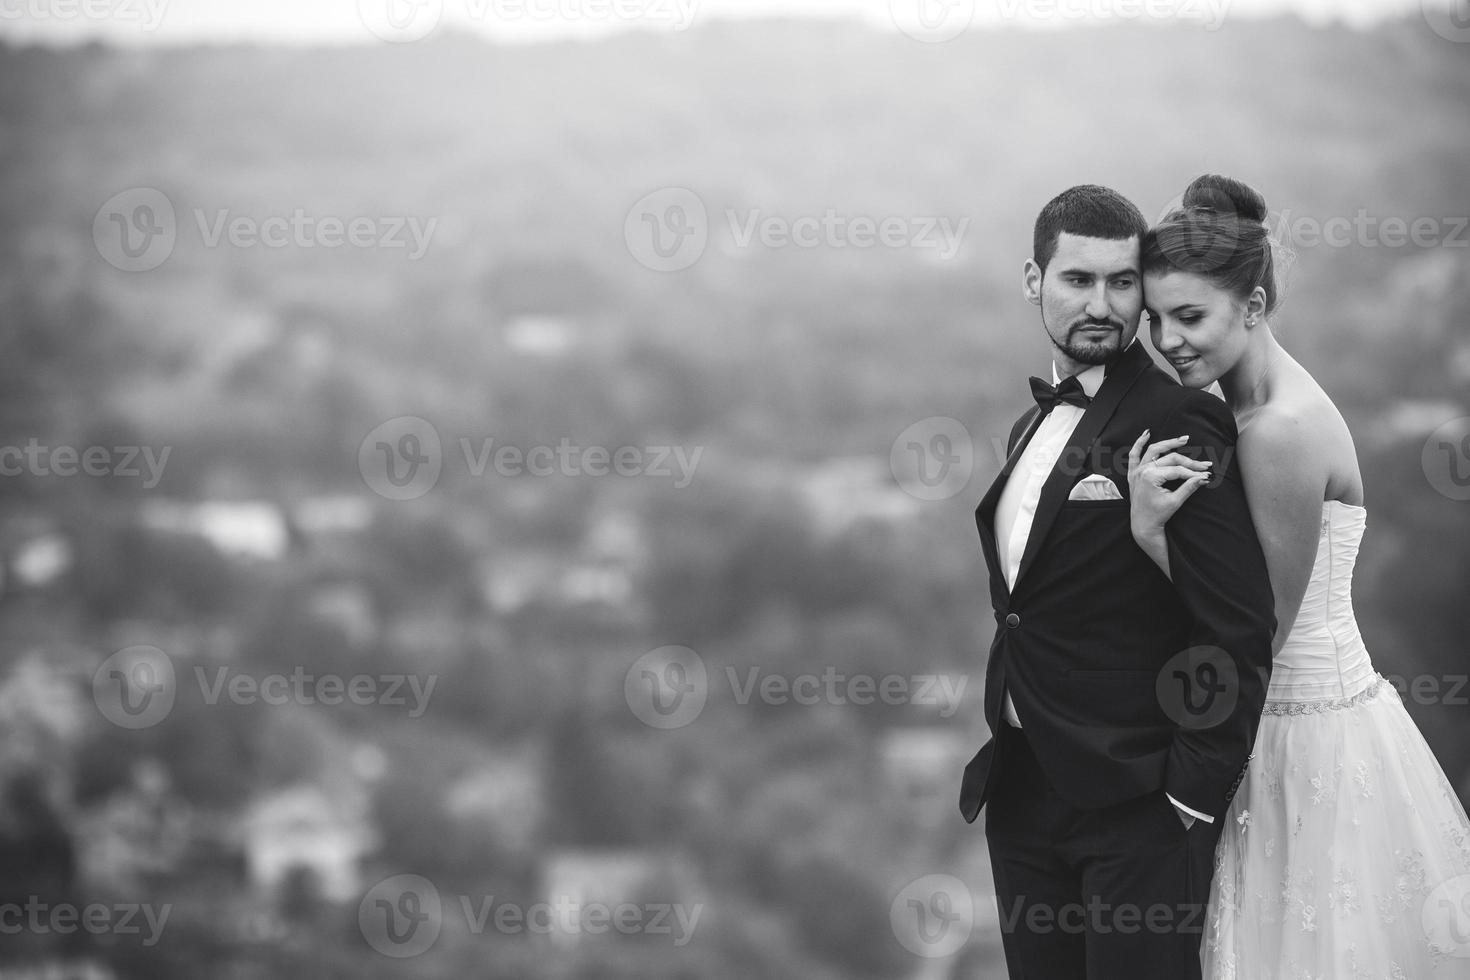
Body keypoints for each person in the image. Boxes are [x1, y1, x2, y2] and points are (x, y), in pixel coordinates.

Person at [1128, 173, 1470, 979]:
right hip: (1322, 716)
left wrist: (1149, 535)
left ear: (1251, 306)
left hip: (1298, 735)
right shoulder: (1259, 409)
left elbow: (1259, 627)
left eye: (1190, 317)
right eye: (1156, 321)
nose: (1170, 340)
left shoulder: (1274, 432)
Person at [959, 184, 1277, 979]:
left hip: (1138, 807)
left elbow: (1235, 627)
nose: (1101, 303)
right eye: (1077, 280)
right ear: (1034, 281)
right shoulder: (1030, 426)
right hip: (1024, 795)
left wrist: (1188, 802)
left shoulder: (1178, 417)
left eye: (1122, 282)